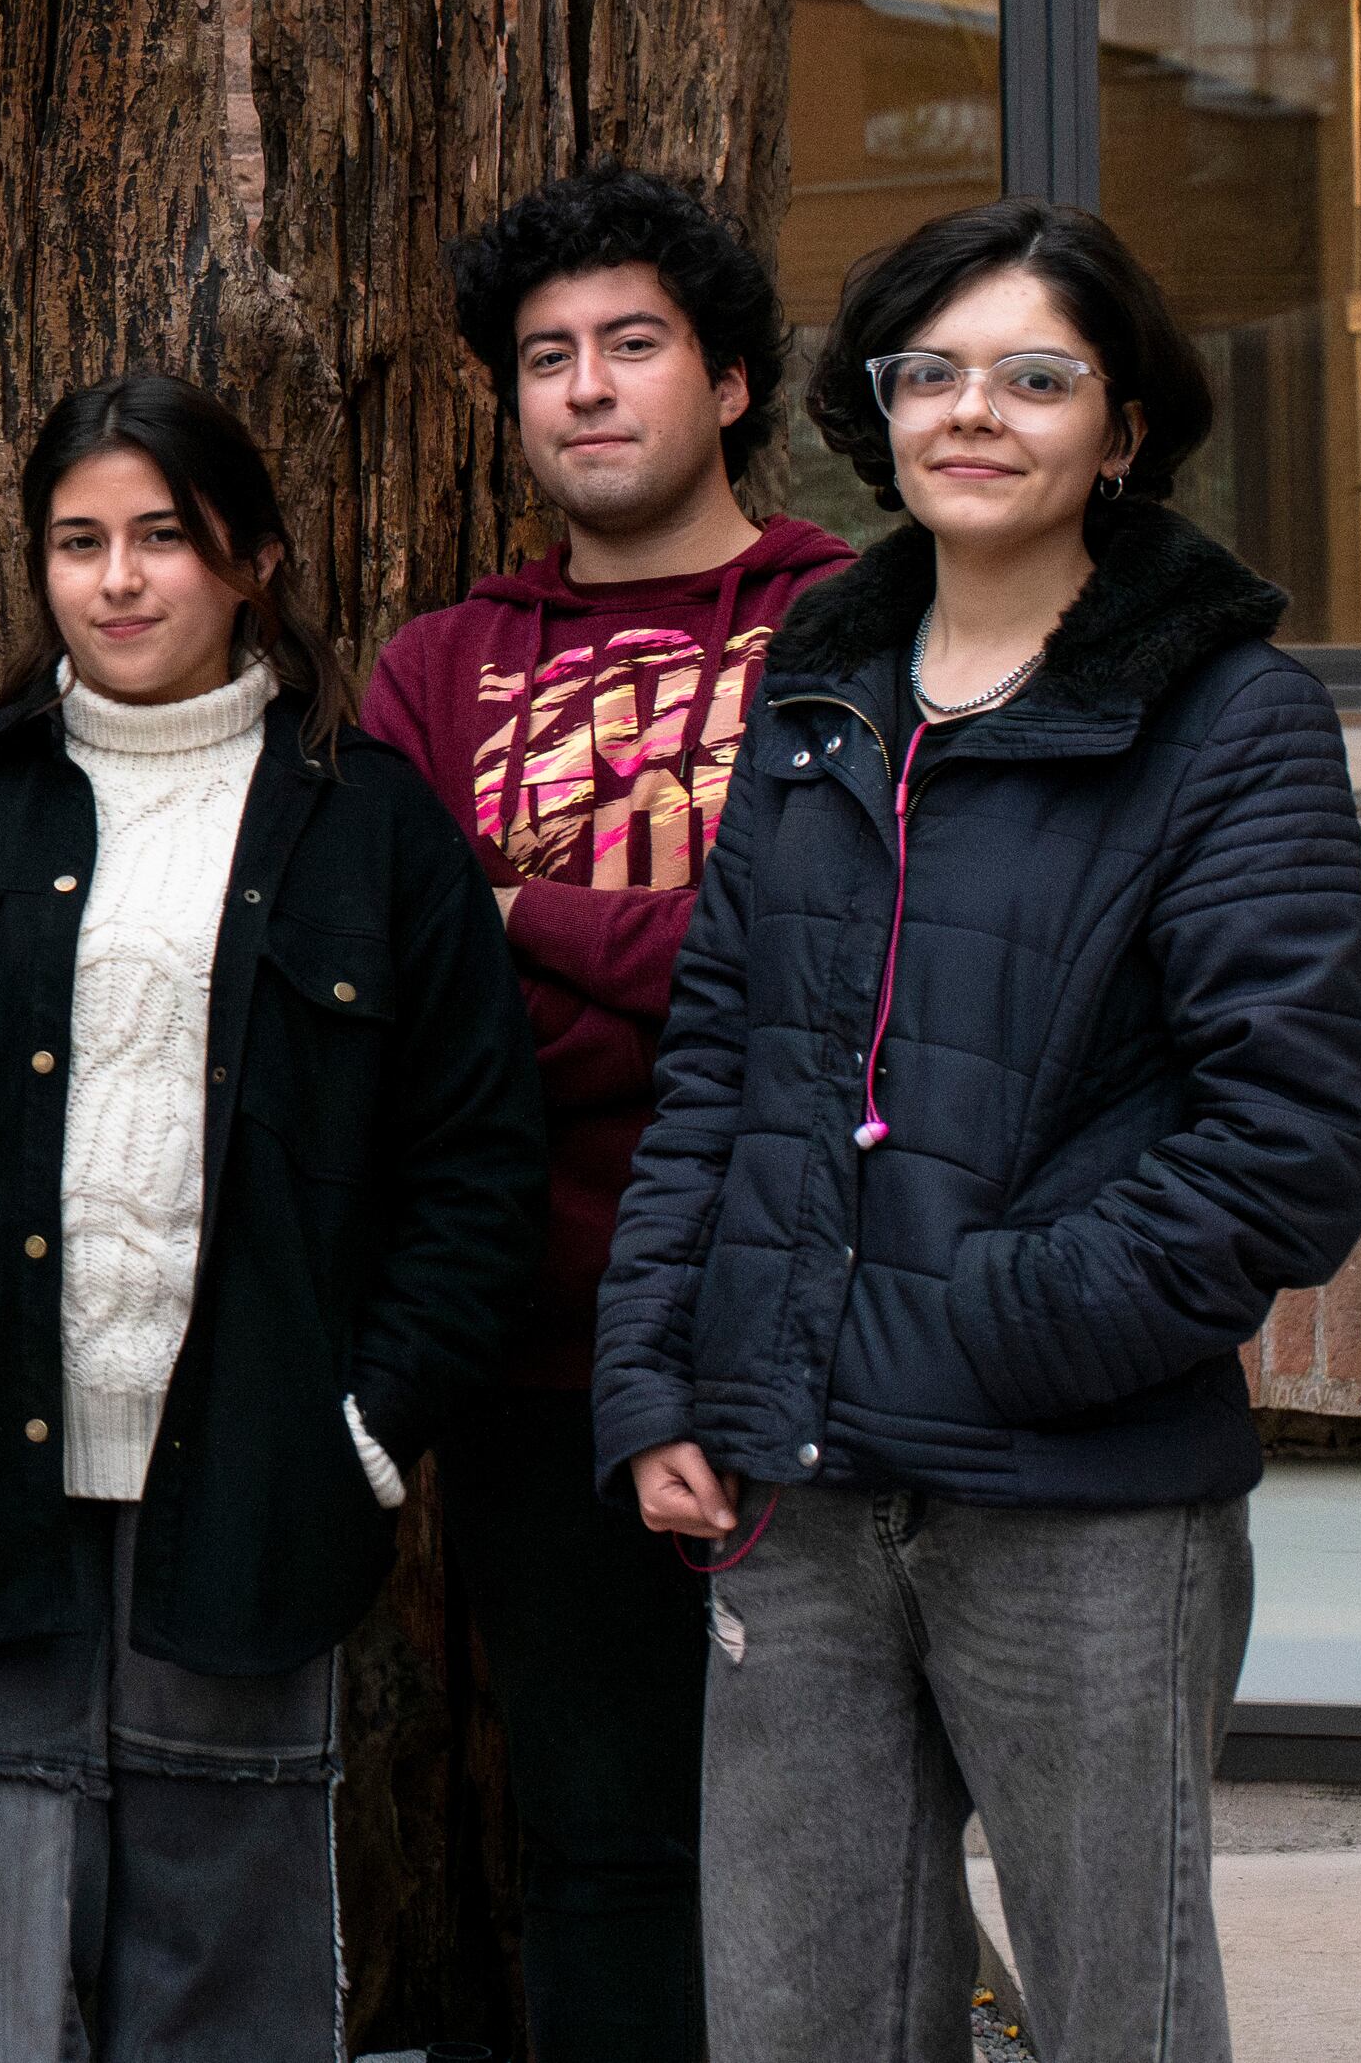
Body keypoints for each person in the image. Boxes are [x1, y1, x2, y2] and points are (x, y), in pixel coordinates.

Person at [595, 199, 1361, 2063]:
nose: (974, 412)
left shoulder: (1231, 719)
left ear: (1119, 429)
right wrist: (651, 1376)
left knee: (1118, 2011)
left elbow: (1289, 1140)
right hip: (788, 1488)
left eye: (1036, 376)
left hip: (1077, 1500)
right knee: (805, 2020)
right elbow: (717, 1059)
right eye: (930, 372)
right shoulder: (816, 697)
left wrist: (988, 1321)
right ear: (881, 416)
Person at [0, 375, 538, 2063]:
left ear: (250, 557)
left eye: (163, 539)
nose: (118, 580)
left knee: (222, 1991)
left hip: (257, 1488)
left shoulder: (374, 829)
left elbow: (474, 1159)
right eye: (78, 542)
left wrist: (375, 1427)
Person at [354, 169, 849, 2062]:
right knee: (599, 1840)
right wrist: (661, 973)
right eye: (546, 357)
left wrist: (523, 912)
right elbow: (416, 1014)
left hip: (814, 1328)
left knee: (828, 1833)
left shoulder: (846, 630)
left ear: (728, 383)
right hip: (538, 1345)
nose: (585, 388)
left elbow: (830, 977)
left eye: (632, 345)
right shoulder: (440, 666)